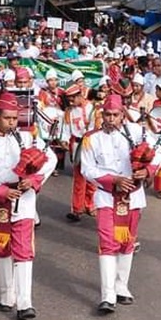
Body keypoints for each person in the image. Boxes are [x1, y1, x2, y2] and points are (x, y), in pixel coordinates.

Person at [0, 92, 56, 320]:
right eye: (7, 117)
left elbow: (51, 159)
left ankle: (25, 302)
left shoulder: (28, 138)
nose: (11, 122)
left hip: (24, 200)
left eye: (15, 118)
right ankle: (7, 295)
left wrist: (35, 180)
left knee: (24, 250)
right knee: (3, 248)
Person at [80, 94, 161, 315]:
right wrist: (113, 179)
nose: (111, 119)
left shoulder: (137, 132)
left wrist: (148, 170)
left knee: (127, 243)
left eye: (115, 115)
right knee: (107, 242)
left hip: (133, 197)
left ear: (122, 115)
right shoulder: (92, 138)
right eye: (107, 115)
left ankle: (121, 286)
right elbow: (86, 169)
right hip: (107, 196)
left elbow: (159, 152)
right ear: (102, 115)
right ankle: (107, 295)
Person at [62, 83, 97, 222]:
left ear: (80, 96)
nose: (71, 102)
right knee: (79, 178)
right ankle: (77, 209)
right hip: (77, 145)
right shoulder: (69, 112)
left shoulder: (92, 109)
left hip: (90, 146)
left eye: (73, 98)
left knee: (92, 178)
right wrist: (64, 140)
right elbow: (65, 128)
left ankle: (90, 204)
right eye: (69, 99)